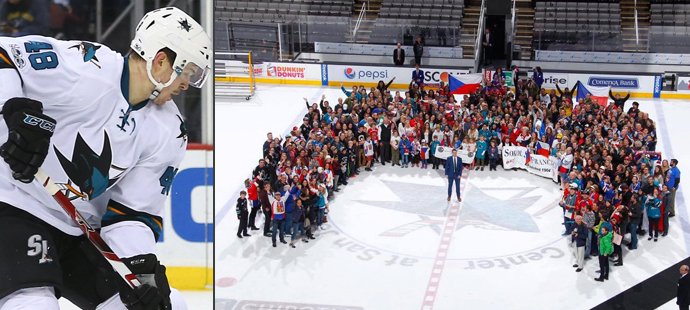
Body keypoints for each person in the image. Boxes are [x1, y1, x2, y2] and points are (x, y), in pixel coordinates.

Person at [0, 6, 210, 309]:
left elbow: (132, 214)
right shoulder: (86, 66)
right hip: (14, 203)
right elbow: (5, 55)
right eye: (187, 71)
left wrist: (142, 268)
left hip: (77, 229)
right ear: (161, 60)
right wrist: (12, 111)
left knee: (167, 305)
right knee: (34, 304)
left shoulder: (169, 130)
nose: (187, 83)